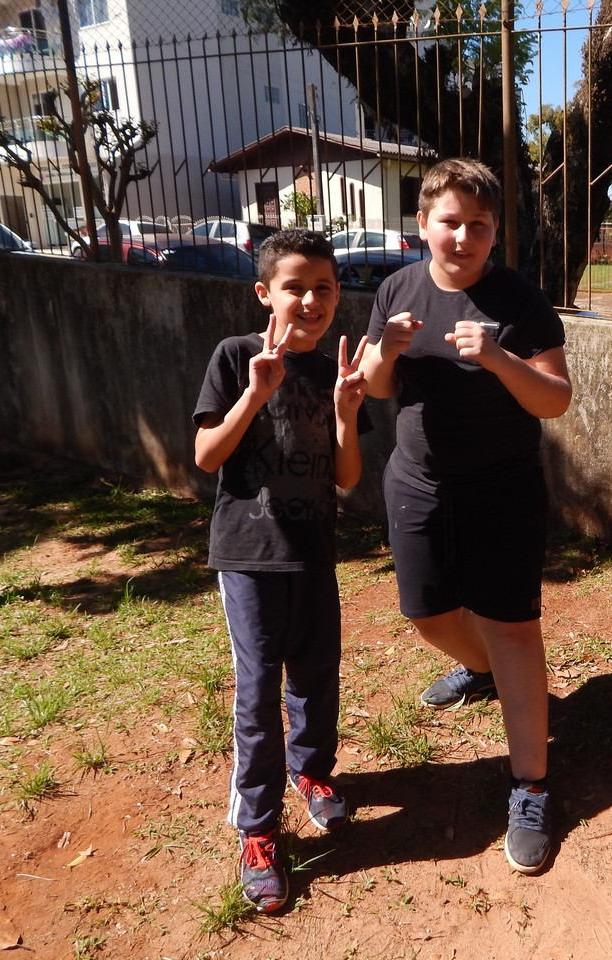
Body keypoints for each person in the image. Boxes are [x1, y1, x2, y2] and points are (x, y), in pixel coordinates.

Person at [358, 157, 572, 874]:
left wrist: (501, 358)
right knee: (426, 614)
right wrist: (383, 353)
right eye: (450, 222)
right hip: (417, 482)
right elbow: (376, 385)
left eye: (478, 225)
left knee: (512, 628)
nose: (463, 236)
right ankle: (481, 670)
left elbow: (555, 399)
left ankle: (530, 785)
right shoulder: (396, 288)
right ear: (423, 224)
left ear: (495, 232)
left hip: (503, 488)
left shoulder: (518, 299)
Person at [192, 229, 369, 913]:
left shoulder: (331, 373)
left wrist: (347, 413)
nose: (311, 300)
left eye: (324, 288)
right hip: (249, 555)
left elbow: (347, 476)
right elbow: (207, 455)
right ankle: (258, 828)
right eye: (296, 287)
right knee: (259, 690)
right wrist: (254, 394)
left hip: (313, 552)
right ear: (265, 293)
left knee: (317, 676)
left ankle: (311, 771)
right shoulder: (237, 355)